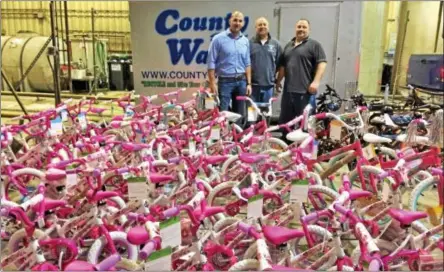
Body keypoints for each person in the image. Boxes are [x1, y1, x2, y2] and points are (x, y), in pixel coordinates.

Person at [275, 18, 327, 142]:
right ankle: (287, 149)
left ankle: (306, 152)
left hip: (305, 93)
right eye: (299, 27)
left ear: (309, 30)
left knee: (307, 125)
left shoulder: (314, 45)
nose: (301, 29)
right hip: (288, 93)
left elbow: (322, 63)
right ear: (295, 28)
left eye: (304, 27)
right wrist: (278, 81)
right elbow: (283, 66)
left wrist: (316, 82)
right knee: (286, 124)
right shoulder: (289, 45)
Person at [207, 11, 252, 127]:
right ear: (230, 21)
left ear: (243, 23)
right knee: (223, 114)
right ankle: (222, 140)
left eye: (240, 21)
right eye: (235, 20)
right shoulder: (218, 39)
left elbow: (247, 63)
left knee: (240, 114)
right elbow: (211, 62)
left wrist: (249, 83)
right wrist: (212, 83)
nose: (237, 23)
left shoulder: (245, 41)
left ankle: (237, 140)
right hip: (225, 82)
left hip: (241, 82)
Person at [249, 17, 282, 103]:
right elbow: (246, 64)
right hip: (253, 86)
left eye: (264, 24)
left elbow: (280, 64)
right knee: (252, 113)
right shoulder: (249, 43)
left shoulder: (276, 44)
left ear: (268, 27)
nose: (262, 27)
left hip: (269, 86)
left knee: (266, 113)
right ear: (256, 28)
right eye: (259, 25)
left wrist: (272, 74)